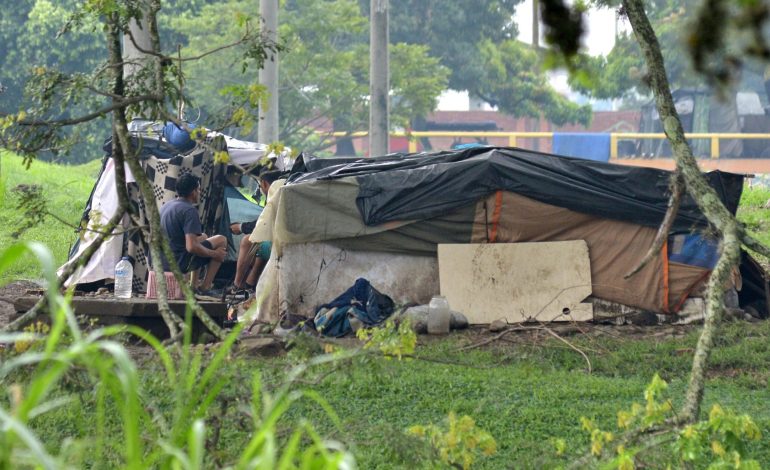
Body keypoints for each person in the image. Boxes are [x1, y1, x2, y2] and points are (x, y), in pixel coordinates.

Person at [160, 173, 227, 295]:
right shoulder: (189, 210)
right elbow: (191, 247)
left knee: (203, 236)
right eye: (199, 189)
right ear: (193, 192)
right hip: (178, 262)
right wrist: (214, 254)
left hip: (161, 259)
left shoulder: (167, 206)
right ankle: (205, 288)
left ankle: (194, 285)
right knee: (221, 240)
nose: (200, 192)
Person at [229, 170, 284, 291]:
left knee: (247, 241)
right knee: (261, 244)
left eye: (259, 186)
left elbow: (263, 223)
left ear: (264, 183)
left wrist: (240, 227)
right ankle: (250, 283)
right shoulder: (284, 192)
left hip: (281, 244)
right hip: (281, 239)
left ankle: (237, 284)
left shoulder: (275, 196)